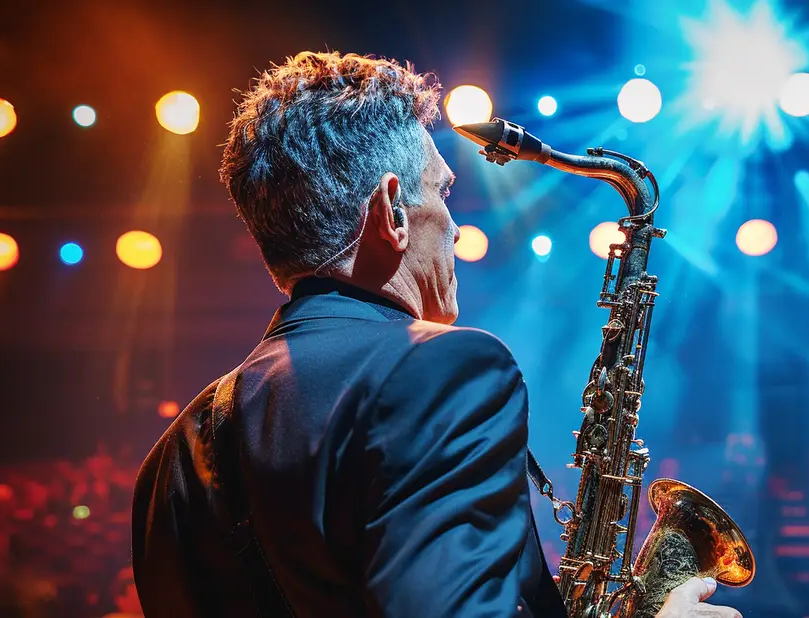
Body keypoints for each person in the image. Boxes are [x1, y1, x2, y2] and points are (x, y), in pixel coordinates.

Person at [131, 51, 741, 618]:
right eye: (443, 192)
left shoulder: (170, 459)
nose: (453, 226)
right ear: (392, 209)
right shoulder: (447, 370)